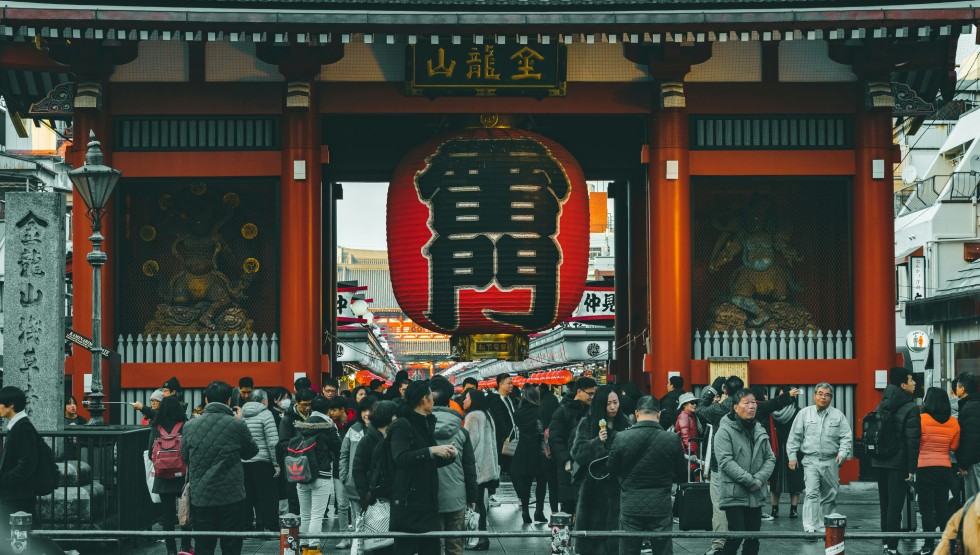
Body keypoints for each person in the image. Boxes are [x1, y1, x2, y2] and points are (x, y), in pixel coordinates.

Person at [181, 380, 259, 555]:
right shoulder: (237, 425)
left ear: (206, 400)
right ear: (229, 401)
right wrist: (241, 422)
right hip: (231, 496)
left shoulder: (190, 426)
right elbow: (251, 452)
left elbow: (185, 457)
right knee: (231, 545)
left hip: (201, 496)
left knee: (204, 546)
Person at [607, 396, 685, 555]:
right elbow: (681, 474)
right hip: (661, 505)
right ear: (658, 414)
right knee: (663, 550)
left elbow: (611, 469)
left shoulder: (621, 438)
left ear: (636, 414)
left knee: (629, 549)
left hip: (631, 504)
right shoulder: (671, 439)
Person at [387, 381, 457, 555]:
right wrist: (432, 450)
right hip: (408, 502)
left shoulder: (426, 422)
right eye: (431, 397)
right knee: (405, 549)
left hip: (428, 501)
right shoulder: (402, 424)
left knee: (432, 549)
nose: (433, 401)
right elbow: (400, 457)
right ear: (423, 400)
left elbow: (428, 459)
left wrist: (447, 455)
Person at [714, 388, 775, 555]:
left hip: (755, 493)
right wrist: (751, 481)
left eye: (753, 402)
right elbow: (726, 462)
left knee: (753, 538)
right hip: (734, 493)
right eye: (746, 403)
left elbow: (770, 458)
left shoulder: (759, 429)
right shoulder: (724, 430)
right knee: (736, 535)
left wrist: (759, 479)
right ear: (735, 407)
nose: (751, 406)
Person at [785, 383, 852, 534]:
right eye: (820, 393)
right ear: (815, 395)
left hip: (831, 460)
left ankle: (824, 525)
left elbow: (846, 438)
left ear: (831, 398)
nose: (823, 397)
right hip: (810, 460)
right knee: (811, 493)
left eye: (827, 395)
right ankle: (810, 526)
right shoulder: (804, 414)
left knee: (830, 495)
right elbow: (794, 437)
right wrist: (792, 456)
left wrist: (842, 454)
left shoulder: (838, 415)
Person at [572, 384, 631, 555]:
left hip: (619, 485)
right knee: (593, 537)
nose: (613, 407)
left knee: (616, 537)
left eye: (615, 402)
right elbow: (578, 453)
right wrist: (597, 442)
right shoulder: (587, 423)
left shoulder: (626, 422)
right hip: (594, 486)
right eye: (608, 403)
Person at [873, 367, 921, 555]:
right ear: (903, 385)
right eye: (911, 380)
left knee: (885, 506)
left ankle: (886, 545)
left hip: (879, 461)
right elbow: (912, 441)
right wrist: (912, 469)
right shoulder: (911, 407)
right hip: (898, 463)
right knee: (895, 507)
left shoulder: (882, 403)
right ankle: (892, 549)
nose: (914, 383)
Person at [431, 376, 478, 555]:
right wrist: (472, 496)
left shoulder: (419, 428)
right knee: (455, 545)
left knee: (435, 546)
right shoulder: (461, 431)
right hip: (457, 496)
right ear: (450, 400)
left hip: (430, 495)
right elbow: (469, 467)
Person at [292, 395, 341, 554]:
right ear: (327, 410)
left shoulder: (302, 424)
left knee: (305, 514)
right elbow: (338, 448)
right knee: (317, 515)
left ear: (312, 408)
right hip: (321, 474)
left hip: (302, 473)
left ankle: (304, 546)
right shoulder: (327, 427)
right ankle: (313, 548)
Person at [917, 387, 960, 555]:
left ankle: (928, 545)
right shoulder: (953, 422)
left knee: (926, 507)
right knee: (942, 506)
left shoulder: (921, 419)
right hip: (944, 467)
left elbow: (916, 442)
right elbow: (954, 446)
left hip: (924, 467)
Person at [149, 396, 193, 555]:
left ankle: (170, 550)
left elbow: (150, 453)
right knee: (185, 513)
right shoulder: (185, 425)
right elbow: (188, 450)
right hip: (181, 476)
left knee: (167, 517)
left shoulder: (156, 425)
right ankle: (186, 547)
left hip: (162, 477)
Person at [550, 376, 597, 514]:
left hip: (587, 464)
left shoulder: (592, 412)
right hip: (569, 467)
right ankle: (566, 535)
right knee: (568, 507)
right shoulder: (563, 412)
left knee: (587, 507)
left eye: (595, 394)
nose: (592, 397)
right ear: (579, 392)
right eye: (590, 393)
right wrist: (566, 460)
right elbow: (555, 439)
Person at [461, 388, 500, 549]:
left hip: (476, 467)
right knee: (481, 504)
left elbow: (469, 443)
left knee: (475, 505)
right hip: (487, 467)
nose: (463, 401)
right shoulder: (486, 415)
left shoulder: (473, 416)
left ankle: (479, 538)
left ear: (473, 400)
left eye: (466, 398)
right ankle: (482, 537)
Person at [0, 386, 40, 541]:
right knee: (36, 534)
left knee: (6, 535)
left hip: (15, 495)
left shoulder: (23, 428)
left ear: (11, 405)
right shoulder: (18, 426)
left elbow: (27, 463)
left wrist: (5, 480)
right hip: (18, 494)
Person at [241, 388, 280, 532]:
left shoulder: (241, 414)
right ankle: (270, 526)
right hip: (263, 461)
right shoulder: (266, 414)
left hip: (244, 462)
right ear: (265, 401)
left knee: (247, 496)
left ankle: (247, 527)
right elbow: (272, 441)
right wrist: (276, 463)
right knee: (267, 496)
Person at [338, 396, 374, 550]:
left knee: (373, 516)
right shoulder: (353, 430)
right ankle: (357, 546)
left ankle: (371, 544)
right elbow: (344, 453)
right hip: (353, 482)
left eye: (371, 411)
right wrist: (344, 475)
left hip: (374, 482)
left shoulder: (382, 429)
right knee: (357, 516)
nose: (367, 414)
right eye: (364, 410)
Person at [512, 385, 547, 525]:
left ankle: (525, 512)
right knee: (541, 482)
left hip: (523, 450)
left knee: (525, 483)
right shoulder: (541, 411)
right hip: (539, 450)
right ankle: (539, 511)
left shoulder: (518, 413)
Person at [769, 385, 803, 519]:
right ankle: (774, 509)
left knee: (794, 481)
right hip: (776, 449)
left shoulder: (798, 412)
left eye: (786, 395)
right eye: (781, 396)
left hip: (794, 450)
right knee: (774, 480)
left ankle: (793, 509)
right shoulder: (771, 412)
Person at [487, 373, 517, 481]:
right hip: (503, 440)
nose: (511, 385)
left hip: (512, 438)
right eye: (509, 383)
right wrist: (509, 435)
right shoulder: (495, 400)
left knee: (511, 468)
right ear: (500, 384)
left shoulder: (509, 399)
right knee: (510, 468)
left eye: (512, 383)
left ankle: (522, 496)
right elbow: (499, 420)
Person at [956, 371, 980, 499]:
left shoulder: (970, 407)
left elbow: (971, 438)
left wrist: (964, 463)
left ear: (962, 389)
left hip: (974, 462)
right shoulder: (974, 404)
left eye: (957, 387)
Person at [539, 383, 561, 514]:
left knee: (550, 484)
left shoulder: (540, 410)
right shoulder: (560, 420)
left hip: (545, 454)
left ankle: (553, 512)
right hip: (559, 456)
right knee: (558, 485)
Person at [673, 392, 699, 475]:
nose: (695, 405)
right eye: (692, 403)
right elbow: (686, 436)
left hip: (689, 450)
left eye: (696, 403)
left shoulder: (691, 415)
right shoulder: (684, 416)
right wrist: (691, 453)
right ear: (684, 405)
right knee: (687, 475)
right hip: (687, 451)